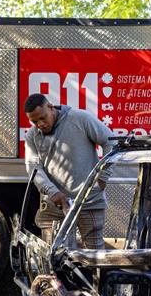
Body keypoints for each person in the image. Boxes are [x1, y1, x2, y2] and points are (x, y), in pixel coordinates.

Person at [23, 94, 114, 248]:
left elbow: (110, 142)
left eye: (43, 118)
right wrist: (53, 192)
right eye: (34, 121)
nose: (40, 124)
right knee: (54, 254)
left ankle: (95, 273)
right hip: (53, 204)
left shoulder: (80, 118)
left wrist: (103, 177)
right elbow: (33, 167)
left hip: (89, 201)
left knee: (95, 255)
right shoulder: (32, 135)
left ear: (51, 107)